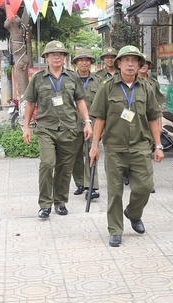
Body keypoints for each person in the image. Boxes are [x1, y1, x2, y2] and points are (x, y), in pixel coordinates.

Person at [89, 45, 164, 247]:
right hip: (114, 148)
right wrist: (94, 146)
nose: (130, 64)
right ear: (119, 63)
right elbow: (100, 118)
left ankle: (133, 213)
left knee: (145, 187)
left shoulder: (146, 88)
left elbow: (154, 117)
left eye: (134, 60)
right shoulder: (107, 87)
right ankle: (115, 230)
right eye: (126, 60)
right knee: (114, 192)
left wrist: (158, 145)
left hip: (140, 147)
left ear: (140, 64)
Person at [22, 40, 93, 219]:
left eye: (60, 54)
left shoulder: (72, 77)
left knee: (64, 168)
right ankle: (45, 204)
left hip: (69, 128)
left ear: (64, 58)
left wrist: (87, 122)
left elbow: (80, 101)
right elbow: (30, 103)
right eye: (53, 54)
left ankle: (60, 202)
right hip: (46, 128)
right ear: (46, 57)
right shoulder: (38, 78)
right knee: (47, 163)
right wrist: (26, 127)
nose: (57, 57)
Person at [71, 49, 101, 199]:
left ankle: (92, 187)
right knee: (75, 155)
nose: (84, 62)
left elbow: (103, 104)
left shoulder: (98, 81)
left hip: (93, 122)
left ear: (91, 63)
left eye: (87, 60)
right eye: (81, 60)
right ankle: (80, 183)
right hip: (72, 122)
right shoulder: (69, 79)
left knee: (91, 152)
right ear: (76, 62)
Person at [137, 53, 166, 193]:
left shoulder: (153, 82)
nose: (144, 66)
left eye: (146, 64)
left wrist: (159, 125)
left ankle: (148, 182)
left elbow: (157, 107)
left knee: (147, 152)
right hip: (135, 122)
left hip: (150, 122)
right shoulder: (130, 81)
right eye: (142, 64)